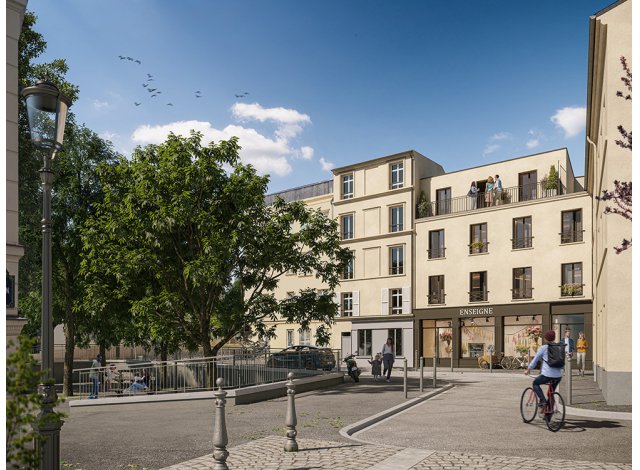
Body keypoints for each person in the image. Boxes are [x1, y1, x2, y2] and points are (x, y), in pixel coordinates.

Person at [524, 330, 563, 409]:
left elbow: (535, 360)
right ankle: (548, 415)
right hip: (558, 375)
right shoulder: (559, 347)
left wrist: (528, 370)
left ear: (545, 339)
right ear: (554, 338)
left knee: (535, 383)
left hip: (547, 375)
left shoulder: (543, 348)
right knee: (551, 393)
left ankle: (543, 401)